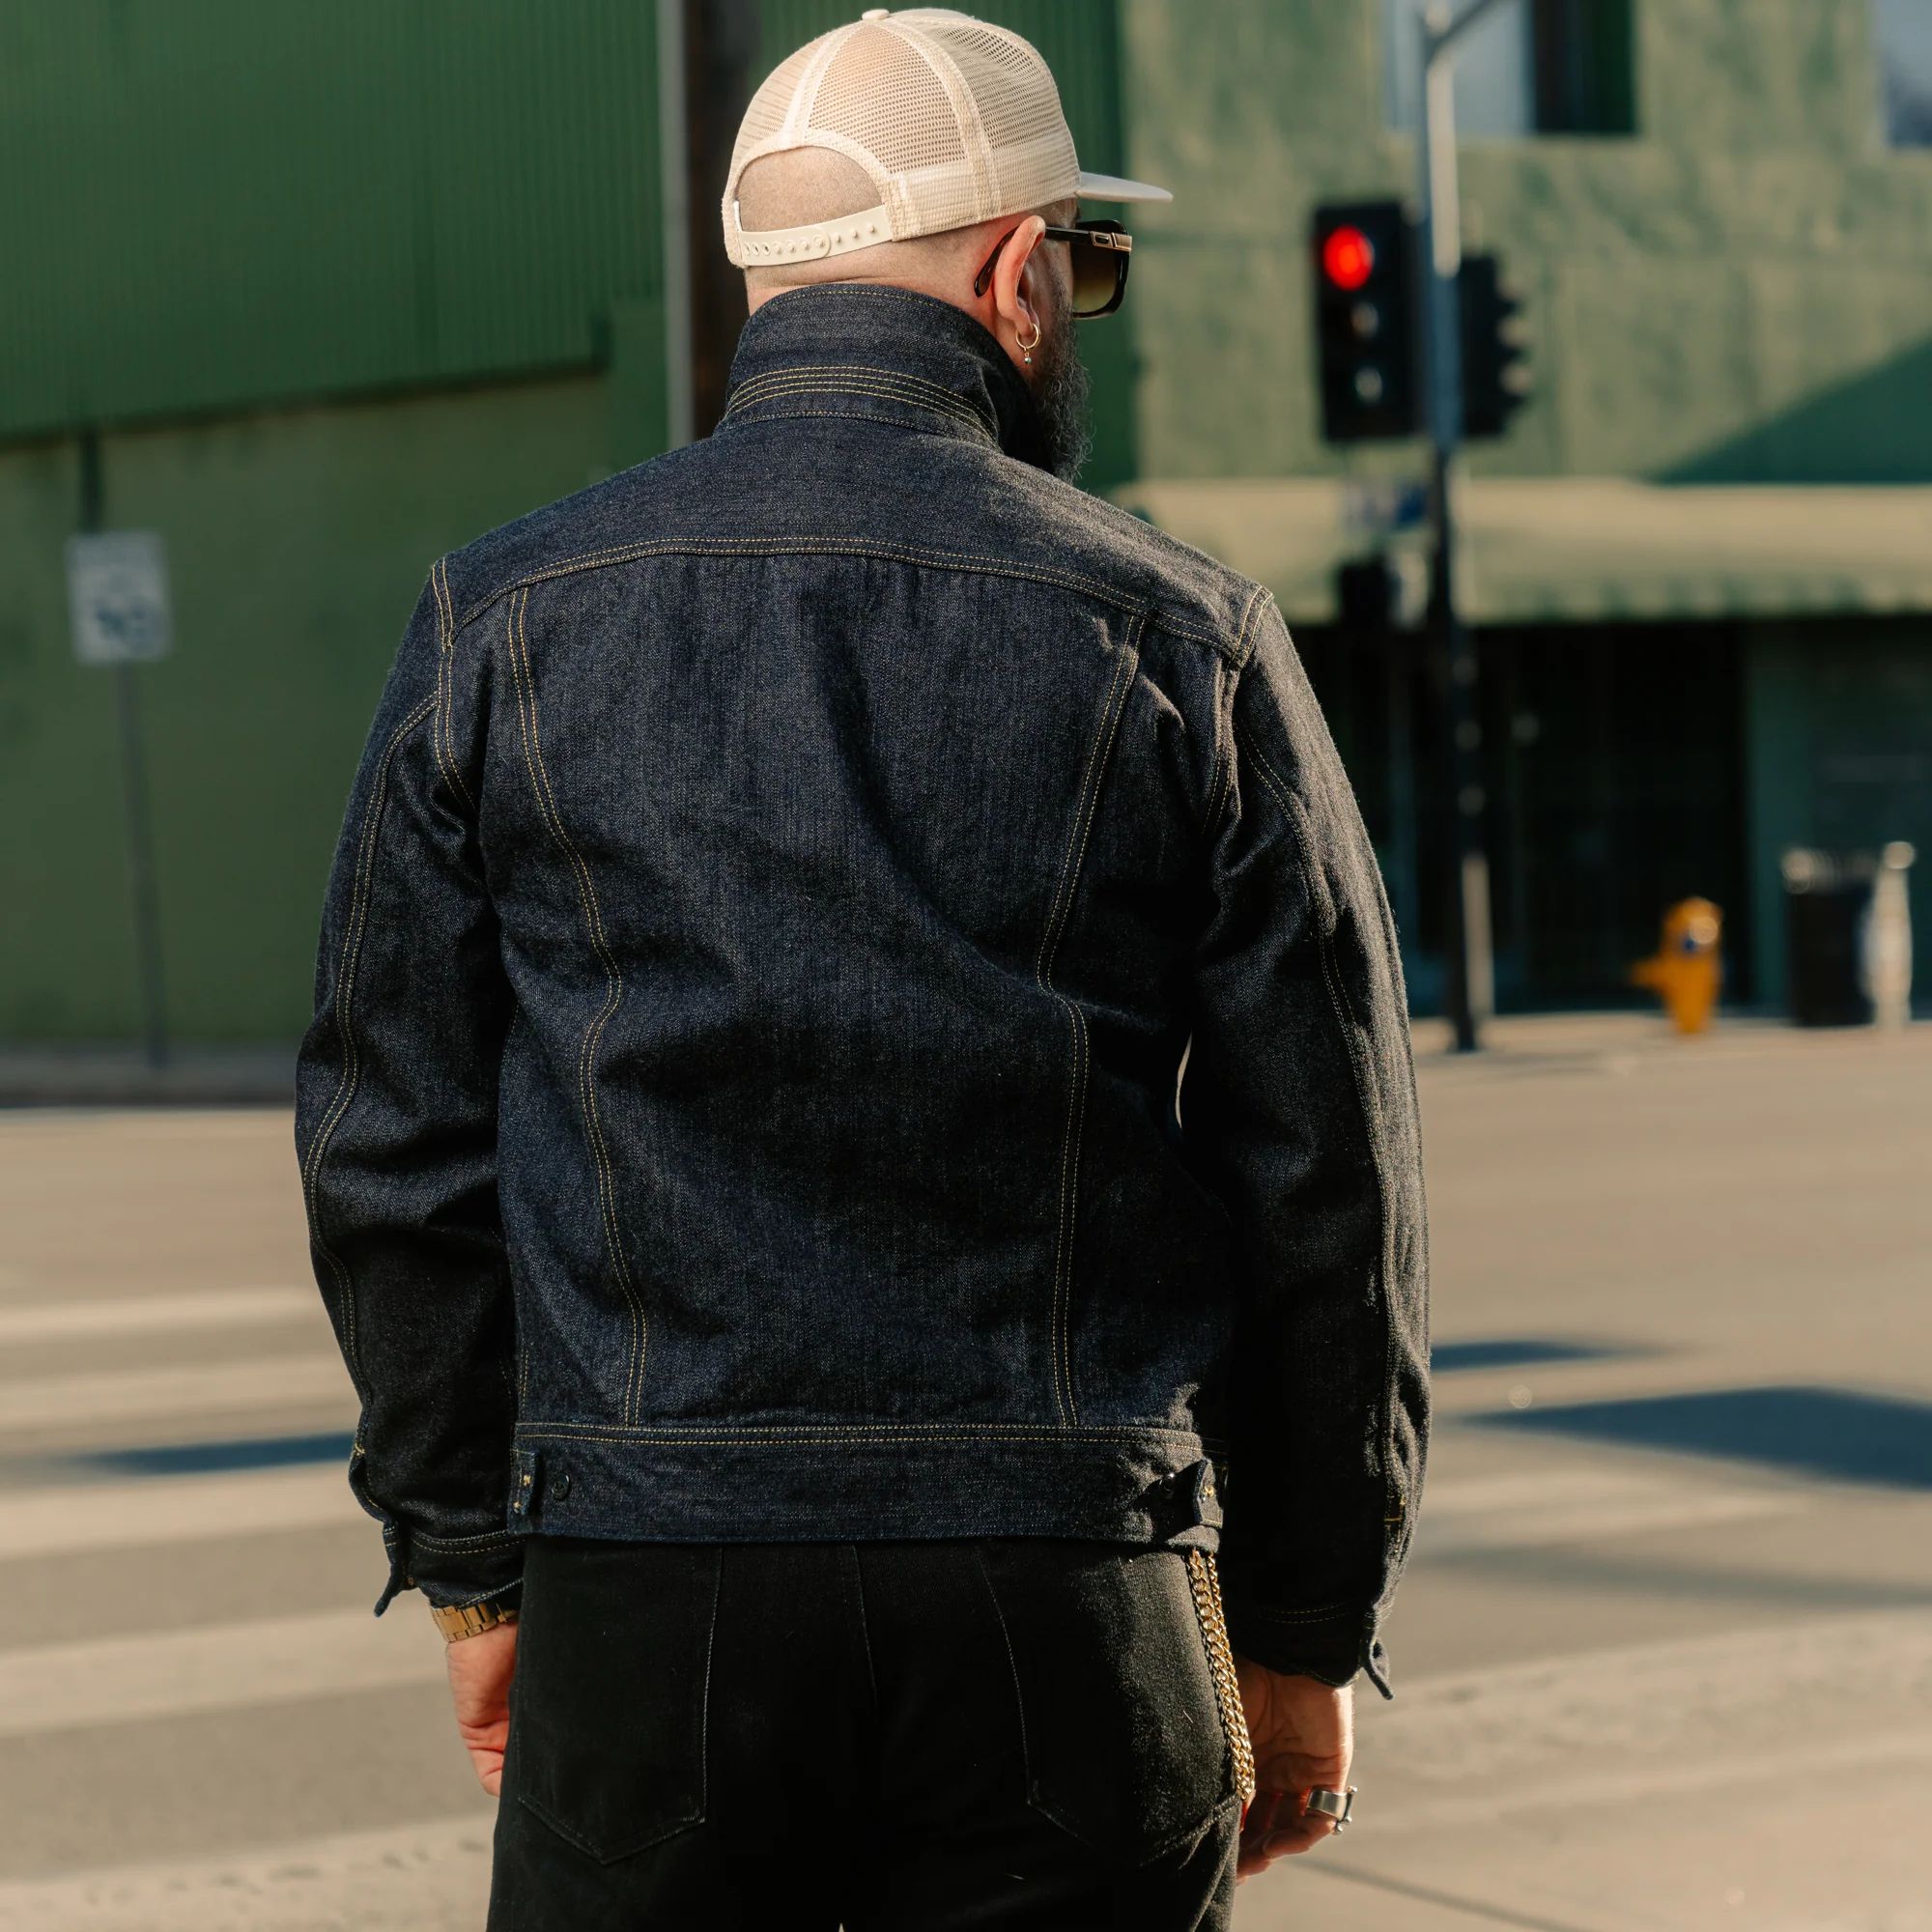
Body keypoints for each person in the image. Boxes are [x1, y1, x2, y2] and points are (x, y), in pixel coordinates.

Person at [296, 10, 1427, 1927]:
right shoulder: (1182, 633)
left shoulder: (501, 620)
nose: (1080, 301)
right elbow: (1322, 1183)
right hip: (1068, 1592)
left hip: (652, 1590)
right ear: (1010, 273)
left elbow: (392, 1148)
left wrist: (475, 1560)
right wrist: (1304, 1626)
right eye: (1088, 262)